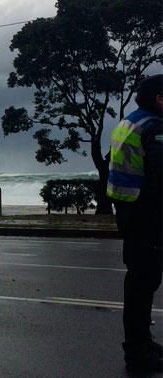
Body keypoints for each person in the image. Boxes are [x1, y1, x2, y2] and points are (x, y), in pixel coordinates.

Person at [107, 74, 163, 372]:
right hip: (146, 214)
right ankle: (138, 351)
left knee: (139, 282)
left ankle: (142, 342)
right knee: (144, 283)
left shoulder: (130, 122)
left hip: (128, 211)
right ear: (159, 99)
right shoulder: (154, 128)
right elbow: (159, 176)